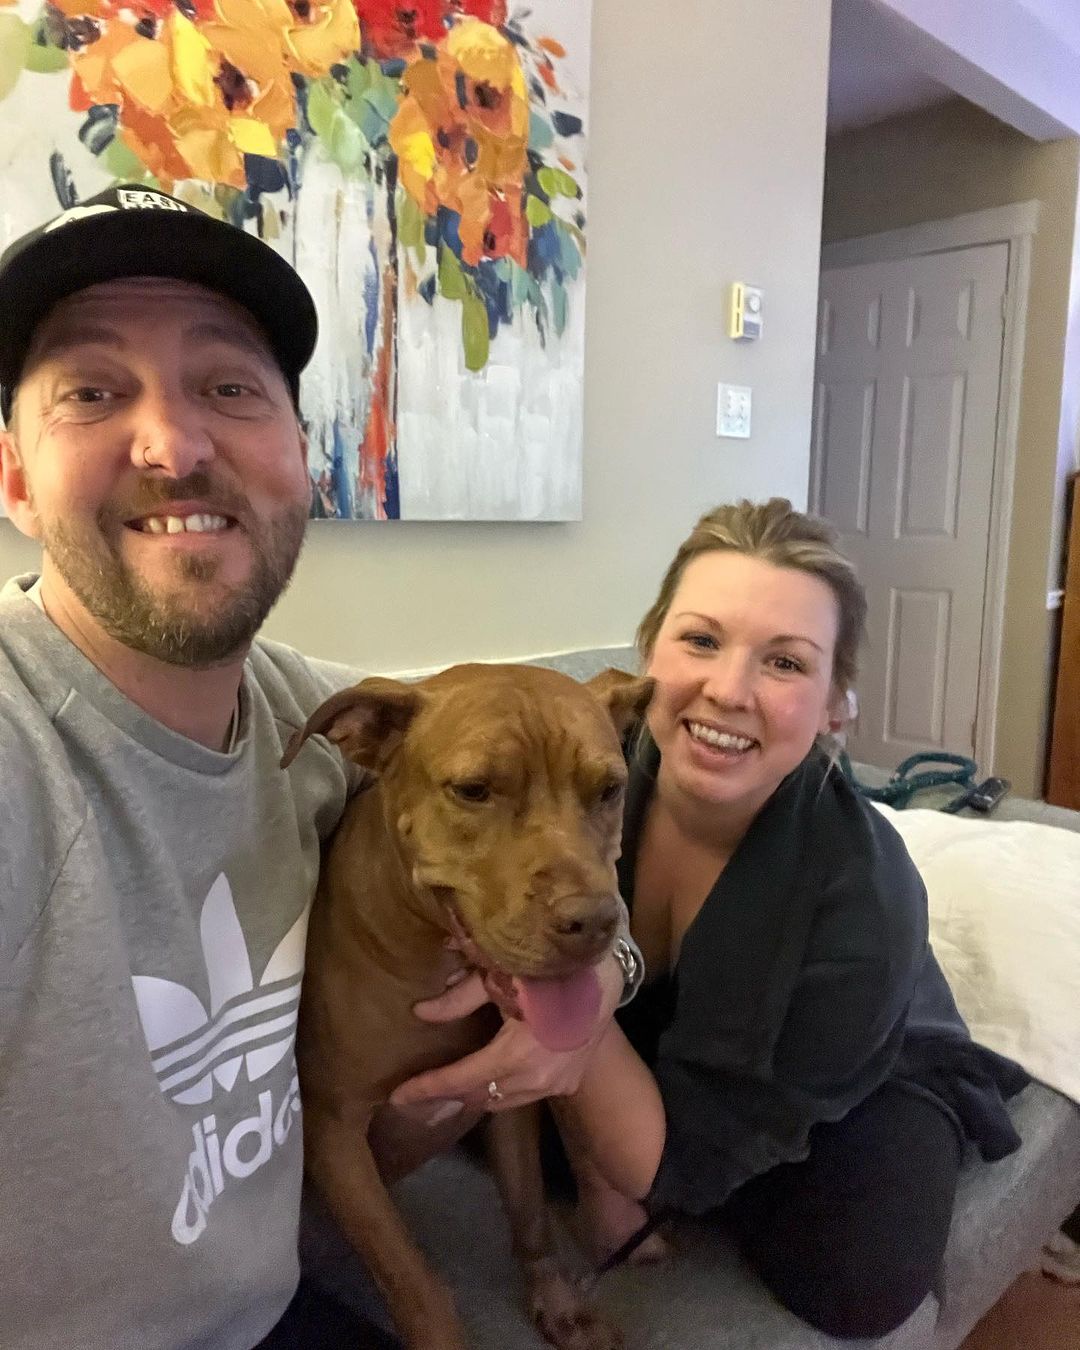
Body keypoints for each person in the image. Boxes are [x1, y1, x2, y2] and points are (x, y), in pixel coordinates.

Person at [0, 184, 640, 1350]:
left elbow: (554, 841)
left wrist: (598, 978)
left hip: (286, 1298)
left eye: (230, 388)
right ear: (13, 477)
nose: (175, 442)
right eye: (92, 391)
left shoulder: (325, 720)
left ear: (302, 459)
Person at [393, 499, 1030, 1340]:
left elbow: (654, 1140)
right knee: (479, 1112)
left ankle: (730, 1158)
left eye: (786, 664)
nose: (728, 691)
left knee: (861, 1277)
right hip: (662, 1016)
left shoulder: (864, 903)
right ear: (647, 653)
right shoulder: (590, 759)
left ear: (837, 705)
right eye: (700, 640)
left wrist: (577, 1045)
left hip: (849, 1051)